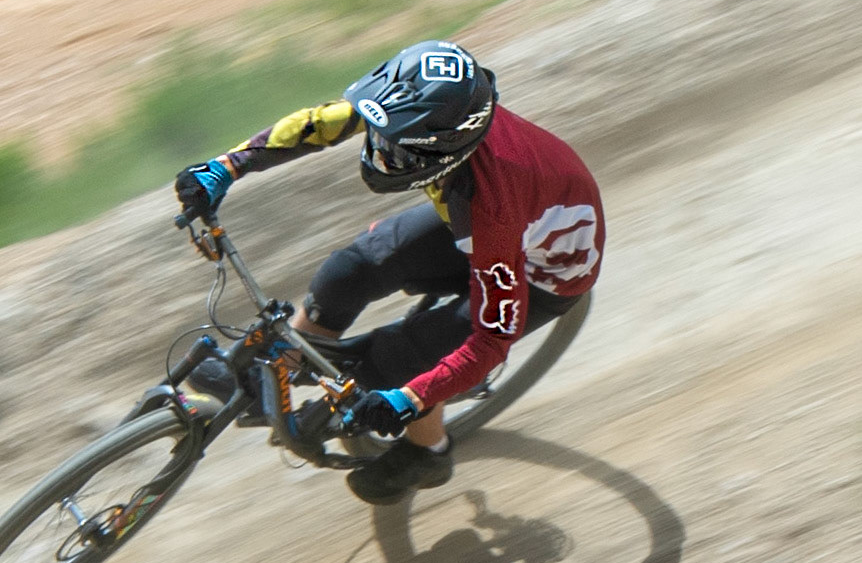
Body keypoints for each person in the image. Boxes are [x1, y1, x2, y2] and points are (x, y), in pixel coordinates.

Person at [173, 40, 604, 505]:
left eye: (398, 151)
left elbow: (491, 342)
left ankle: (429, 453)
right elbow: (320, 123)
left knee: (400, 361)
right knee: (348, 270)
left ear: (442, 152)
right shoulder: (423, 118)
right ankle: (275, 372)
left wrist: (407, 400)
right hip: (499, 220)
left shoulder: (489, 210)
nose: (381, 150)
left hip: (543, 273)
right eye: (380, 136)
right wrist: (227, 166)